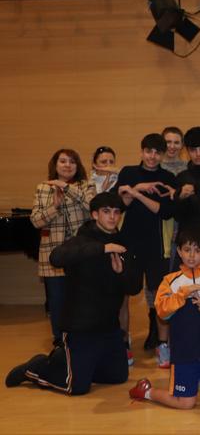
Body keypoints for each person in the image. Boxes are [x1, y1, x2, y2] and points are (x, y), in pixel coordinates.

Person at [7, 192, 139, 395]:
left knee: (118, 376)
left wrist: (121, 273)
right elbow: (56, 258)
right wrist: (102, 248)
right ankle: (36, 367)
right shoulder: (82, 239)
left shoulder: (123, 243)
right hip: (80, 327)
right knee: (76, 387)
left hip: (109, 327)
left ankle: (72, 362)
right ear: (95, 215)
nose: (112, 217)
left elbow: (134, 288)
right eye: (106, 211)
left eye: (116, 212)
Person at [129, 230, 200, 410]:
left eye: (197, 250)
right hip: (184, 352)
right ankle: (147, 391)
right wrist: (182, 294)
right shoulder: (170, 281)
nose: (192, 255)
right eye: (187, 250)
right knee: (186, 403)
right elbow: (162, 312)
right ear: (179, 251)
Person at [114, 134, 177, 356]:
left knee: (160, 297)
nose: (152, 156)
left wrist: (136, 193)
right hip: (127, 244)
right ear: (141, 151)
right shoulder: (128, 173)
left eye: (157, 152)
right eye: (148, 151)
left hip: (157, 247)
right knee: (122, 296)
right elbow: (118, 203)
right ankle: (123, 343)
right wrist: (138, 187)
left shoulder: (167, 177)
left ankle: (163, 345)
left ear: (163, 155)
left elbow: (165, 211)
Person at [32, 149, 96, 346]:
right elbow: (36, 221)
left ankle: (83, 337)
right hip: (53, 252)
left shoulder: (86, 185)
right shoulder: (43, 187)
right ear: (55, 165)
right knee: (57, 299)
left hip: (81, 252)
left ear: (78, 166)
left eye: (72, 161)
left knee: (83, 298)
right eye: (63, 161)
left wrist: (66, 188)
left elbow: (92, 207)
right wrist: (55, 206)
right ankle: (60, 340)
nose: (68, 165)